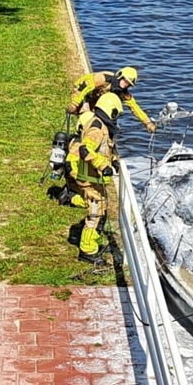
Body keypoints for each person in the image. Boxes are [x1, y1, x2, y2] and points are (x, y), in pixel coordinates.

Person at [73, 92, 122, 264]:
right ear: (111, 111)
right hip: (90, 180)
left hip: (94, 179)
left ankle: (93, 243)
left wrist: (114, 161)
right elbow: (85, 149)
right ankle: (87, 250)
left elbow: (105, 149)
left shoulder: (101, 126)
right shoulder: (96, 128)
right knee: (95, 215)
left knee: (101, 212)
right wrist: (103, 165)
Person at [66, 67, 157, 134]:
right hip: (82, 91)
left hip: (95, 99)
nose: (125, 85)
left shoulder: (123, 93)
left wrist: (148, 123)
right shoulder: (103, 79)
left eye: (128, 84)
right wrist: (75, 104)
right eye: (125, 81)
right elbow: (84, 88)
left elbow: (135, 108)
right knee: (85, 117)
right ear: (120, 76)